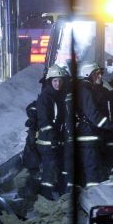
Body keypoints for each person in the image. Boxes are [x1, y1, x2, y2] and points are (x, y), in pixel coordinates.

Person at [75, 62, 113, 187]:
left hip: (93, 137)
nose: (100, 76)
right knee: (92, 174)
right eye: (97, 74)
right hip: (88, 138)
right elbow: (96, 118)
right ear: (88, 75)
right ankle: (93, 202)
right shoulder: (85, 90)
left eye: (100, 73)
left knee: (97, 172)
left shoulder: (91, 89)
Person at [35, 65, 69, 199]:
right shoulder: (45, 97)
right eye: (55, 80)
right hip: (47, 142)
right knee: (49, 171)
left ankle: (58, 196)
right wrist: (53, 137)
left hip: (56, 140)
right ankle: (45, 200)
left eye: (60, 80)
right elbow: (43, 121)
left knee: (57, 169)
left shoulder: (59, 96)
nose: (58, 83)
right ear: (50, 81)